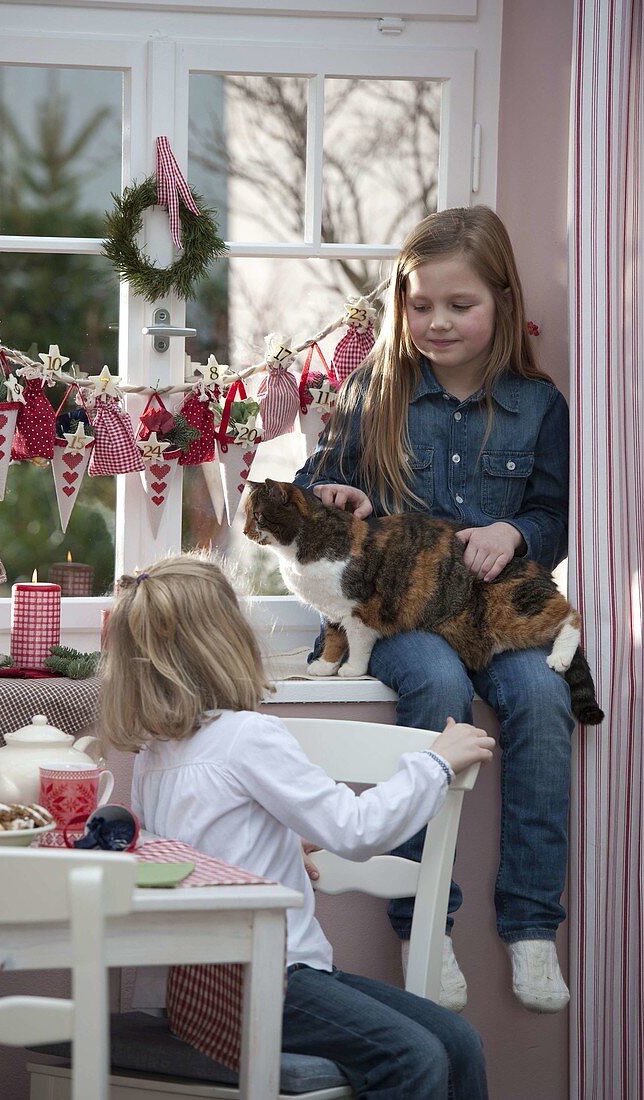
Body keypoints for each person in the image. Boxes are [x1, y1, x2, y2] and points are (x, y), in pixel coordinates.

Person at [294, 205, 573, 1015]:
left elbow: (555, 515)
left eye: (461, 305)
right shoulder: (373, 391)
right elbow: (316, 492)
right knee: (439, 692)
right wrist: (334, 497)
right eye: (421, 305)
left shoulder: (537, 405)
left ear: (503, 304)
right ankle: (423, 921)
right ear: (400, 303)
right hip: (401, 618)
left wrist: (515, 531)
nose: (438, 322)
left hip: (496, 611)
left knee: (543, 695)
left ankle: (530, 923)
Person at [99, 556, 493, 1100]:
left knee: (458, 1040)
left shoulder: (155, 756)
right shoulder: (249, 736)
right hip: (269, 979)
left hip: (202, 990)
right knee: (417, 1054)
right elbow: (355, 831)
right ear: (227, 641)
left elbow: (197, 853)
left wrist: (281, 847)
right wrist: (436, 763)